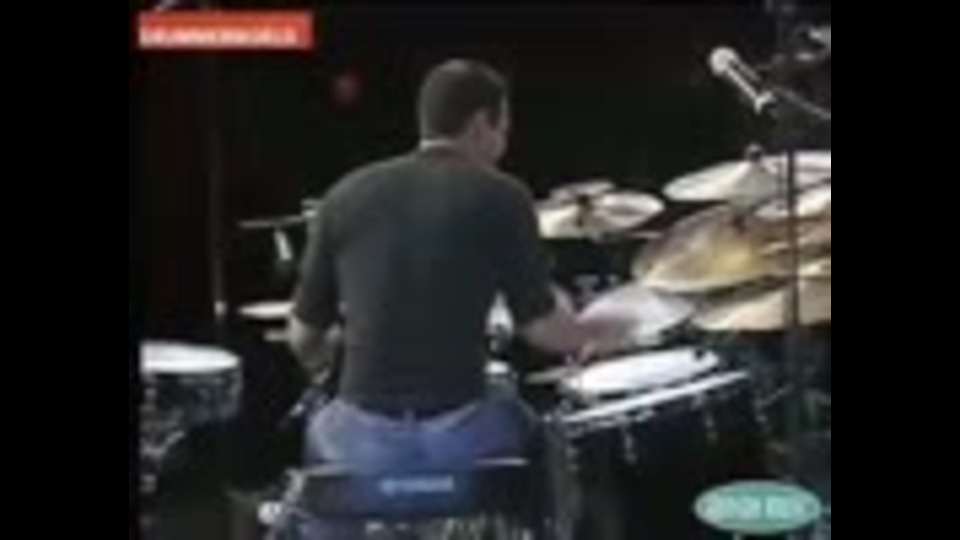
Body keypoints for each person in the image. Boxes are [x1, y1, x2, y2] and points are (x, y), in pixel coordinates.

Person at [285, 59, 631, 538]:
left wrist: (326, 357)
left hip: (357, 443)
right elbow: (544, 329)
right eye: (503, 128)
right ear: (480, 123)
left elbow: (302, 337)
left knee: (321, 443)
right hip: (463, 437)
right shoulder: (501, 195)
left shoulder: (343, 196)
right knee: (547, 434)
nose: (503, 143)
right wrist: (609, 328)